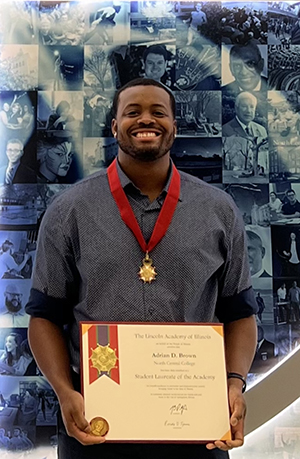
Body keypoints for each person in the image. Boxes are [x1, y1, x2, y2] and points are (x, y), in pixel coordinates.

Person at [26, 78, 257, 459]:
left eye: (158, 112)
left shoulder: (219, 210)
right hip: (97, 428)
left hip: (197, 429)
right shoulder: (70, 210)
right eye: (132, 112)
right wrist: (65, 392)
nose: (145, 120)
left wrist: (234, 384)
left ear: (175, 127)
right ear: (115, 126)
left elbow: (240, 312)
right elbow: (44, 316)